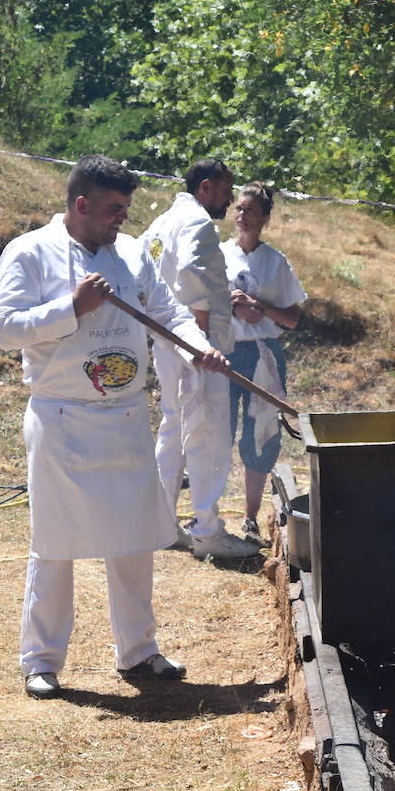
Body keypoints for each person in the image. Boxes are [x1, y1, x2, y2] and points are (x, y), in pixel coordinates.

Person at [0, 154, 229, 699]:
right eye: (113, 209)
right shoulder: (29, 252)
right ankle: (42, 661)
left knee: (134, 540)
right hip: (63, 417)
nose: (121, 219)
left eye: (125, 209)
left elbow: (168, 313)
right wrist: (70, 305)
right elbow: (6, 329)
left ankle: (139, 652)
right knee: (54, 543)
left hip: (124, 418)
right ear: (80, 204)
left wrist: (201, 350)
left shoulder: (130, 253)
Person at [141, 158, 257, 561]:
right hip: (197, 345)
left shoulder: (160, 224)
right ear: (206, 188)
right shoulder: (198, 224)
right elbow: (190, 271)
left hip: (167, 341)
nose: (228, 200)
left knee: (174, 428)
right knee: (207, 432)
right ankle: (207, 530)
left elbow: (146, 273)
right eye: (226, 191)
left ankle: (160, 523)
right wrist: (201, 331)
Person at [221, 181, 307, 539]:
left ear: (265, 219)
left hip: (263, 355)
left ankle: (250, 517)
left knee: (261, 432)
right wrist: (232, 303)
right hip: (223, 352)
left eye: (251, 210)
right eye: (239, 208)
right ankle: (206, 516)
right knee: (216, 430)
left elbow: (293, 318)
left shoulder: (275, 262)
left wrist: (260, 306)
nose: (242, 215)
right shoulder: (217, 254)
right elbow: (197, 303)